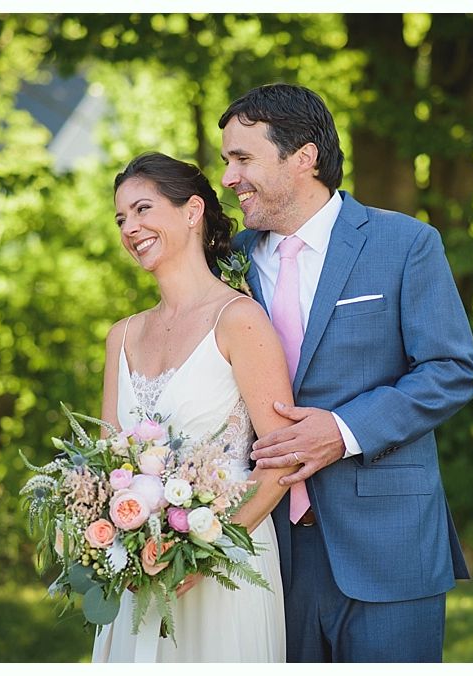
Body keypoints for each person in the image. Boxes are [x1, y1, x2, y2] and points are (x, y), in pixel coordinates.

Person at [219, 83, 473, 662]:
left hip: (387, 539)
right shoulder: (227, 261)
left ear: (303, 156)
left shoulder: (405, 243)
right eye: (226, 162)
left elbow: (451, 369)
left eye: (243, 159)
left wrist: (341, 432)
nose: (229, 179)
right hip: (265, 544)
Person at [91, 152, 297, 662]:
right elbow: (104, 466)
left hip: (225, 572)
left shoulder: (239, 320)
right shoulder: (122, 336)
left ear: (192, 211)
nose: (130, 228)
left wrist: (198, 557)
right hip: (139, 575)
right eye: (121, 218)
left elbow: (282, 462)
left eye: (142, 209)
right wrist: (117, 541)